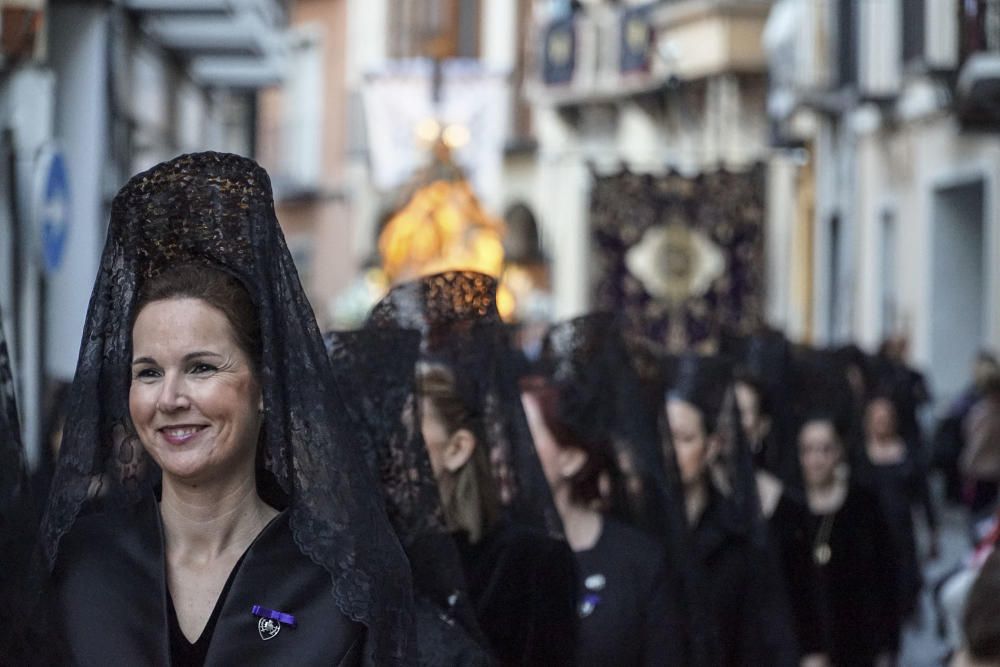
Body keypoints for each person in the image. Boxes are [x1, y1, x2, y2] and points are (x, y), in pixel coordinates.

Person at [35, 152, 413, 665]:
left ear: (264, 385)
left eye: (202, 368)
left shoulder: (339, 583)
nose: (170, 399)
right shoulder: (79, 564)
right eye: (148, 372)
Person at [368, 271, 578, 667]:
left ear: (458, 447)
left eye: (408, 430)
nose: (389, 445)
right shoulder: (373, 555)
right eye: (382, 426)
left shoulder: (530, 566)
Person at [666, 353, 797, 667]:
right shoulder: (640, 528)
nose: (670, 451)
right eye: (663, 435)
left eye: (684, 438)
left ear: (712, 446)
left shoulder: (736, 537)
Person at [797, 414, 901, 666]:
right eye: (808, 450)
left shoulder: (863, 504)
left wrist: (888, 645)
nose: (817, 459)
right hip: (805, 648)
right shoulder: (791, 510)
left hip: (859, 643)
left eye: (825, 449)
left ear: (838, 452)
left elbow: (887, 575)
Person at [858, 395, 939, 621]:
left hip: (902, 530)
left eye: (886, 419)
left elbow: (923, 495)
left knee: (905, 582)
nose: (882, 424)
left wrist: (933, 530)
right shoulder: (860, 456)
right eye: (877, 419)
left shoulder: (908, 453)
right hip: (870, 532)